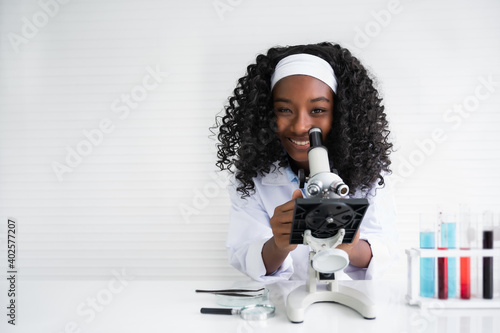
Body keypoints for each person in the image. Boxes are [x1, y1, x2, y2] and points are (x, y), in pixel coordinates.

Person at [213, 42, 397, 282]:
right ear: (267, 114)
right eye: (284, 110)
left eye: (318, 110)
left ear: (340, 114)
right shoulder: (254, 177)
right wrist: (279, 244)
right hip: (282, 303)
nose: (300, 126)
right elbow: (245, 256)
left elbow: (385, 253)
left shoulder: (368, 170)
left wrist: (351, 246)